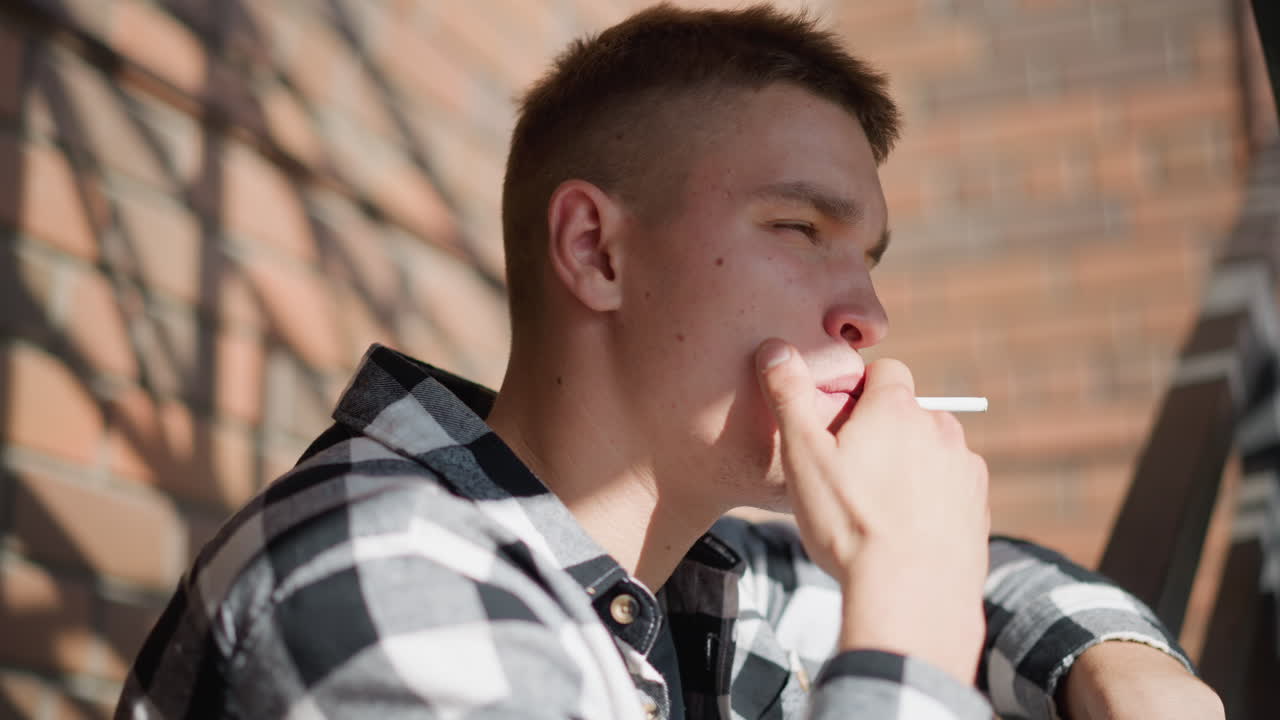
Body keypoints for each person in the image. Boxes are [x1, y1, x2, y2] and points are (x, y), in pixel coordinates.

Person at [116, 4, 1224, 719]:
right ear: (596, 252)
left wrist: (1121, 662)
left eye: (870, 256)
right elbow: (926, 586)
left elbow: (998, 573)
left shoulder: (699, 577)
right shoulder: (374, 577)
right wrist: (909, 622)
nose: (869, 314)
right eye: (800, 229)